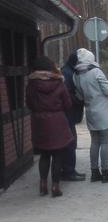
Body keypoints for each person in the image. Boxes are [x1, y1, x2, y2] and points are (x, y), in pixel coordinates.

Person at [26, 56, 74, 197]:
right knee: (58, 155)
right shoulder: (59, 83)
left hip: (39, 121)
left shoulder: (31, 84)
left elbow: (29, 104)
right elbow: (68, 104)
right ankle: (55, 186)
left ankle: (42, 185)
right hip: (57, 121)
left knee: (44, 155)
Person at [73, 48, 108, 183]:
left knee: (94, 143)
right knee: (105, 142)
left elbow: (79, 95)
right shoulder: (96, 71)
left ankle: (94, 172)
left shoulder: (76, 75)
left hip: (90, 111)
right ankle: (106, 173)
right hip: (104, 111)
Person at [59, 50, 86, 181]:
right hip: (67, 114)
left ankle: (69, 170)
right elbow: (68, 95)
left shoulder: (68, 71)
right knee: (70, 142)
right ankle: (68, 171)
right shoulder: (67, 73)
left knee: (70, 141)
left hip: (68, 113)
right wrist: (80, 100)